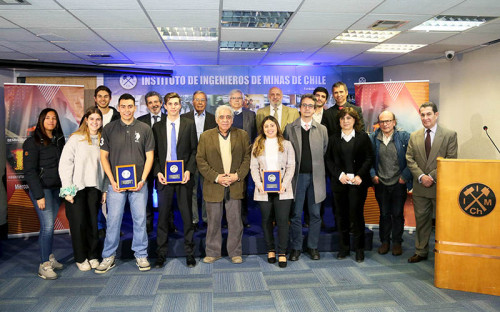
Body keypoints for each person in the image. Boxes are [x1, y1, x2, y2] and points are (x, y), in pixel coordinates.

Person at [96, 93, 155, 273]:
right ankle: (108, 256)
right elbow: (103, 157)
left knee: (140, 219)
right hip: (116, 185)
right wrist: (112, 181)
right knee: (113, 220)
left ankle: (141, 254)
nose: (127, 110)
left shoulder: (145, 128)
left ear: (135, 107)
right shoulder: (109, 129)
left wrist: (143, 179)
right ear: (118, 107)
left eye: (130, 106)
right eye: (123, 106)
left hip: (139, 184)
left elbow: (150, 156)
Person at [196, 105, 250, 264]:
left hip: (235, 184)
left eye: (228, 117)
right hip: (214, 185)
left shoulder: (242, 135)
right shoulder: (206, 136)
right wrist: (217, 177)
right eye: (222, 117)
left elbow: (247, 159)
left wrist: (237, 176)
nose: (225, 120)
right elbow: (200, 160)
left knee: (235, 221)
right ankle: (213, 252)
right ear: (216, 119)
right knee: (213, 221)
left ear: (232, 119)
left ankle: (235, 252)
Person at [406, 102, 457, 263]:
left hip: (440, 186)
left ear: (436, 114)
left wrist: (431, 177)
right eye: (422, 115)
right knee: (421, 220)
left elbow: (451, 159)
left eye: (429, 114)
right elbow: (409, 158)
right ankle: (421, 251)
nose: (426, 118)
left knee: (443, 222)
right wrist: (421, 177)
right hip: (420, 187)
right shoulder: (414, 136)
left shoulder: (449, 134)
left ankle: (444, 252)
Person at [152, 92, 198, 268]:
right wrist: (158, 173)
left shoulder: (189, 124)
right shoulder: (157, 127)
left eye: (176, 103)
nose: (173, 106)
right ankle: (161, 254)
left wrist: (188, 170)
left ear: (180, 106)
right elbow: (154, 154)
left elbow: (195, 151)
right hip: (164, 179)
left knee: (187, 218)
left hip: (184, 179)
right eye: (170, 104)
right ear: (165, 106)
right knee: (162, 218)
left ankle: (189, 254)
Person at [59, 107, 107, 271]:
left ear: (101, 122)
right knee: (78, 224)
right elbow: (65, 164)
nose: (95, 122)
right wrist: (67, 190)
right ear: (86, 120)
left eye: (98, 119)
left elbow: (106, 166)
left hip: (95, 188)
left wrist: (105, 189)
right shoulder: (76, 139)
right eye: (92, 119)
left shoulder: (103, 139)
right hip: (76, 189)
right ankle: (80, 258)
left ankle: (93, 255)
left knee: (93, 224)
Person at [326, 107, 373, 262]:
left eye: (349, 118)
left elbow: (369, 158)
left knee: (357, 216)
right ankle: (344, 248)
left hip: (357, 184)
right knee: (341, 217)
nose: (345, 121)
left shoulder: (363, 137)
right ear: (339, 121)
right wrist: (339, 175)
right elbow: (329, 160)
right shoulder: (333, 138)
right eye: (342, 118)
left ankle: (359, 250)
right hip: (340, 184)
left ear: (354, 120)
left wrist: (360, 175)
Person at [284, 94, 328, 261]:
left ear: (315, 108)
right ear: (300, 108)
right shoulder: (289, 128)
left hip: (316, 178)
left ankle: (312, 247)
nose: (308, 108)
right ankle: (296, 248)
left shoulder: (322, 129)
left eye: (311, 105)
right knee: (295, 214)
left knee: (315, 214)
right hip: (296, 178)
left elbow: (324, 150)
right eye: (304, 105)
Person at [23, 108, 65, 279]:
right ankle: (44, 265)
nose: (51, 121)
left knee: (49, 227)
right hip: (43, 191)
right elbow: (29, 172)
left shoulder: (58, 140)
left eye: (54, 118)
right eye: (47, 118)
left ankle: (49, 256)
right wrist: (39, 195)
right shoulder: (32, 142)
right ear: (41, 120)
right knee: (47, 227)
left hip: (56, 189)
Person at [250, 116, 295, 268]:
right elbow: (253, 167)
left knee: (283, 221)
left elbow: (291, 166)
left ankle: (282, 252)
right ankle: (270, 249)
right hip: (263, 189)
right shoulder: (257, 144)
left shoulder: (286, 144)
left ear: (277, 127)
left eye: (272, 125)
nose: (269, 129)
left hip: (283, 189)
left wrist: (284, 183)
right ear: (262, 129)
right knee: (267, 220)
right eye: (266, 126)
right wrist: (259, 184)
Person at [369, 111, 412, 256]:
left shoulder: (404, 137)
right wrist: (373, 175)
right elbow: (368, 159)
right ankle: (385, 242)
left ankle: (397, 242)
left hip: (398, 183)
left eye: (388, 121)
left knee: (397, 214)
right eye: (382, 121)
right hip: (380, 183)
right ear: (378, 123)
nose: (385, 124)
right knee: (384, 214)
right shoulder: (373, 138)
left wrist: (404, 177)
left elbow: (412, 159)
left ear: (394, 122)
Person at [181, 91, 217, 230]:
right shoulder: (184, 118)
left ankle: (207, 219)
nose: (200, 102)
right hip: (190, 159)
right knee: (193, 191)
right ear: (192, 101)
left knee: (207, 190)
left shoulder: (213, 119)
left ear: (206, 102)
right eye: (197, 99)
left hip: (208, 161)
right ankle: (194, 220)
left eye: (203, 100)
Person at [137, 91, 167, 234]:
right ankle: (148, 222)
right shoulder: (141, 121)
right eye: (150, 102)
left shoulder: (170, 119)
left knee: (165, 195)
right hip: (146, 164)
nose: (154, 105)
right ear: (147, 105)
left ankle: (168, 222)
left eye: (156, 102)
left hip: (164, 164)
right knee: (146, 194)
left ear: (161, 103)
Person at [228, 89, 257, 228]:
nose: (237, 100)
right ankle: (227, 220)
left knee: (243, 189)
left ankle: (243, 219)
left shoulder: (251, 115)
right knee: (227, 189)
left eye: (239, 98)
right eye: (234, 98)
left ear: (243, 100)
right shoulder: (224, 114)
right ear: (229, 100)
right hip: (226, 158)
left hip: (245, 158)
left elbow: (255, 135)